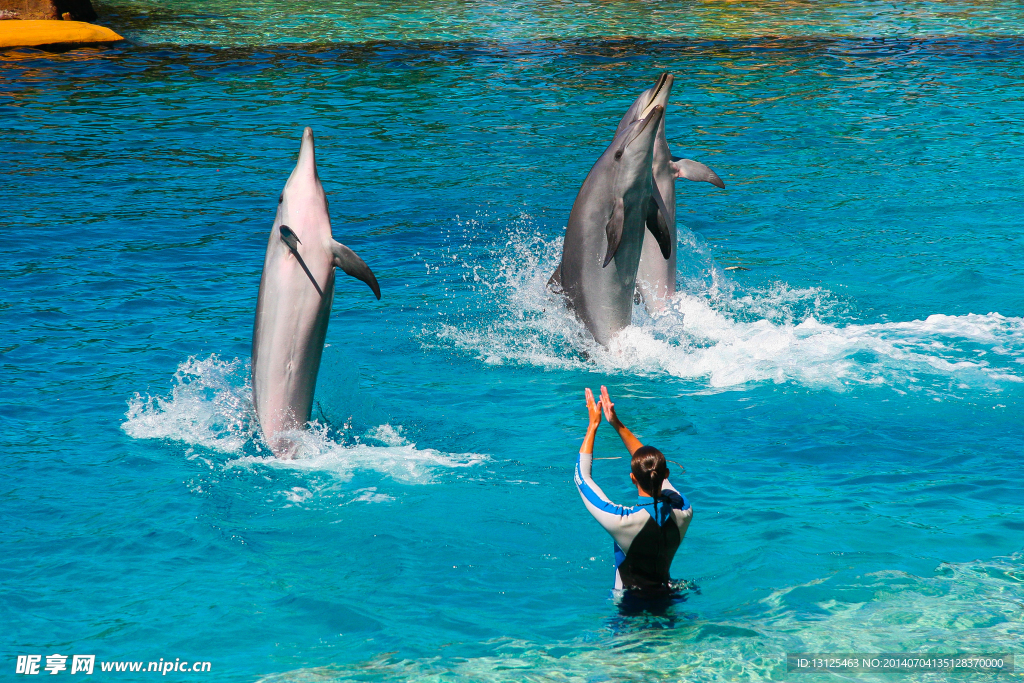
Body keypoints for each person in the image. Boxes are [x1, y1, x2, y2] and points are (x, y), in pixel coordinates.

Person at [575, 385, 693, 595]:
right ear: (666, 475)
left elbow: (581, 477)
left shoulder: (622, 521)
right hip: (669, 597)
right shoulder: (683, 510)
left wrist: (593, 425)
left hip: (630, 613)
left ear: (632, 478)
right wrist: (617, 424)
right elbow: (653, 468)